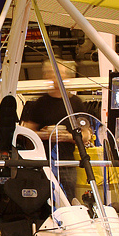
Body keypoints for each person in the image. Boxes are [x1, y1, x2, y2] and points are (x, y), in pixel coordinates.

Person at [20, 63, 89, 201]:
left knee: (68, 200)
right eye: (50, 75)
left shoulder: (76, 103)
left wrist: (69, 137)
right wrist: (44, 135)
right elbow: (26, 133)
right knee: (44, 200)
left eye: (58, 75)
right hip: (43, 163)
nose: (54, 79)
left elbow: (86, 135)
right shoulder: (40, 103)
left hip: (67, 164)